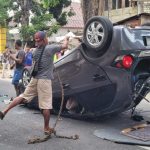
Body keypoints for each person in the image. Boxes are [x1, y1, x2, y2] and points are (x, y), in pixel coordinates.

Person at [0, 31, 69, 135]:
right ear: (45, 39)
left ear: (36, 40)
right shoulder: (50, 48)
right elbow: (65, 46)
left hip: (35, 78)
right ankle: (46, 128)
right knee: (45, 105)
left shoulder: (34, 51)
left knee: (23, 96)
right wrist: (66, 38)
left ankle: (4, 111)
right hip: (44, 80)